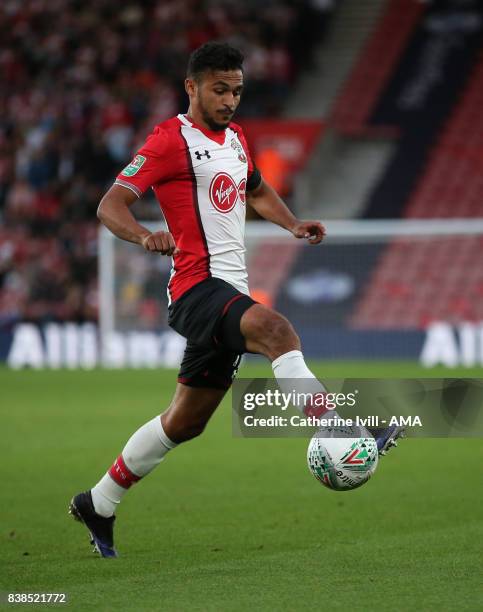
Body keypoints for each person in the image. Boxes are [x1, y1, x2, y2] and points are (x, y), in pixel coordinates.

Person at [69, 42, 402, 558]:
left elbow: (256, 190)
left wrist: (292, 223)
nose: (230, 101)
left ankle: (99, 501)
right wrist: (143, 236)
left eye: (237, 91)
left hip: (228, 290)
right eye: (220, 89)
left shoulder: (237, 139)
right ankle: (345, 431)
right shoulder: (167, 140)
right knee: (278, 332)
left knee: (185, 421)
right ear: (192, 87)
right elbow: (110, 204)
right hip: (195, 288)